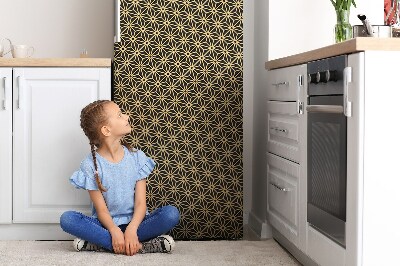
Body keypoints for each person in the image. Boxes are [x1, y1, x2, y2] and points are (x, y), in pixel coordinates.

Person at [60, 100, 180, 256]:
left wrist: (132, 229)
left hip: (137, 223)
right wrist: (114, 230)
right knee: (67, 219)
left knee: (171, 214)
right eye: (119, 115)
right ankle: (141, 246)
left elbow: (140, 203)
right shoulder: (90, 165)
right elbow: (102, 210)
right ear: (106, 130)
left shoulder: (137, 157)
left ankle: (104, 244)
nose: (126, 116)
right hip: (106, 225)